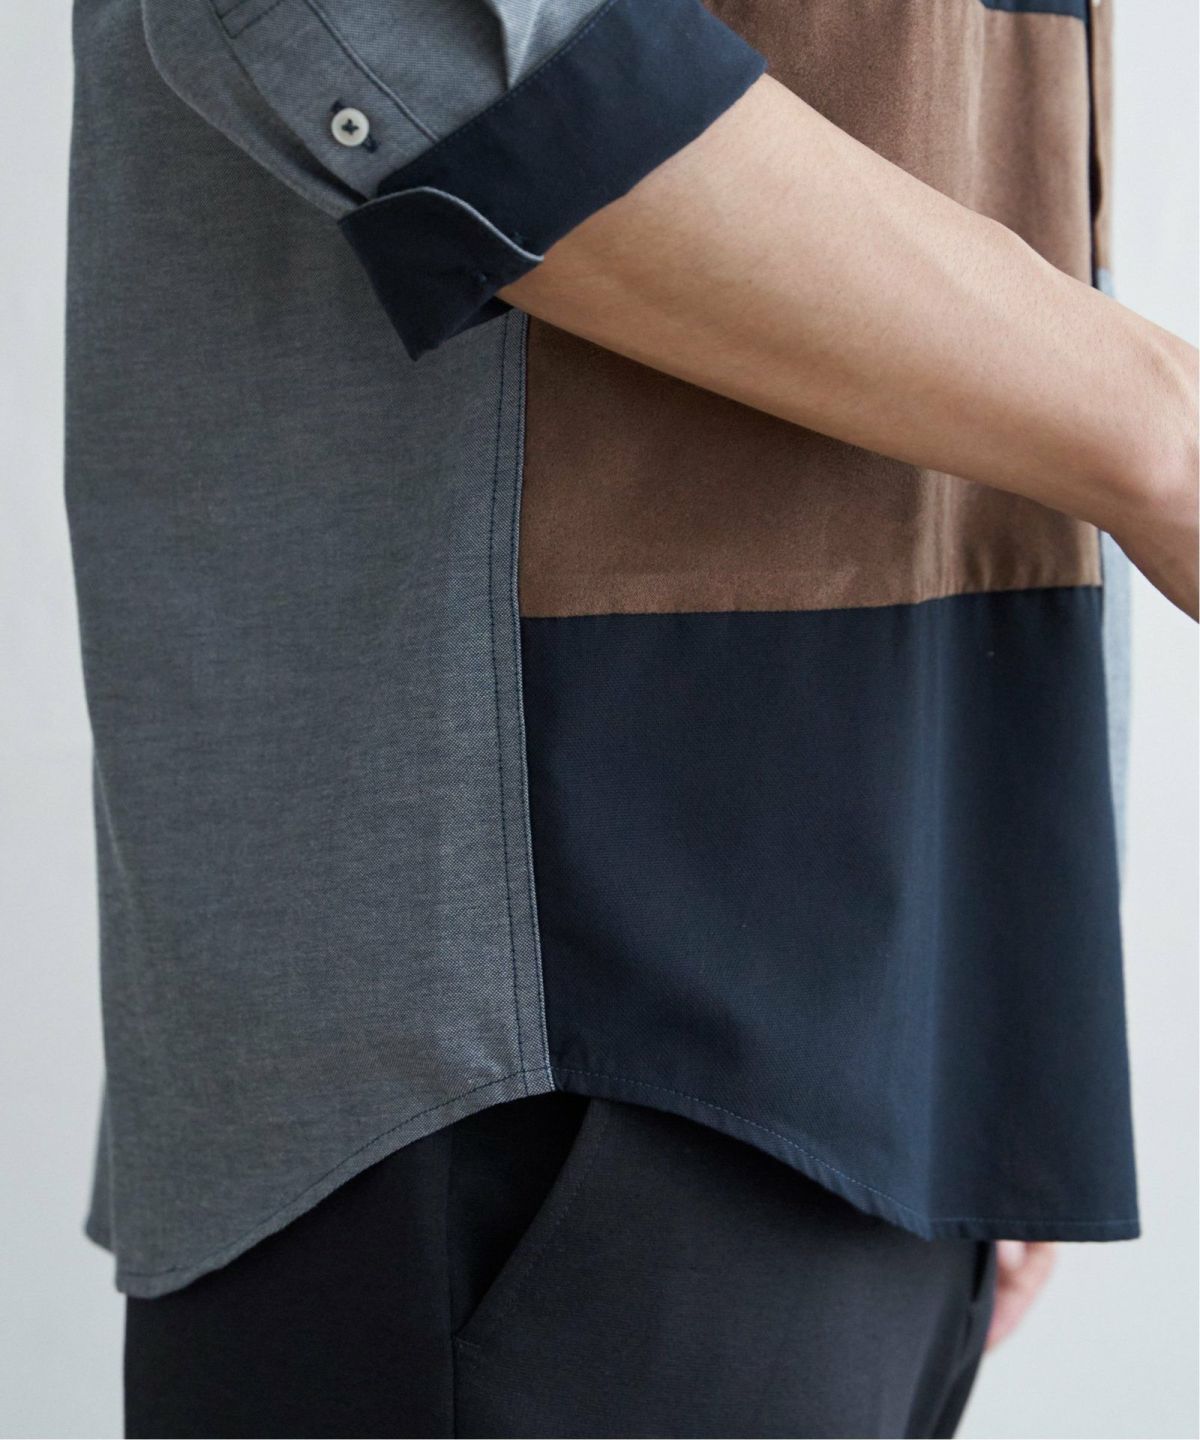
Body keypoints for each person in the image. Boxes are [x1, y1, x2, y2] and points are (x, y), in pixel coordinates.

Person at [66, 1, 1196, 1436]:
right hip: (553, 1021)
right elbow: (371, 24)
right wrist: (1165, 433)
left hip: (892, 1004)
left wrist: (1010, 994)